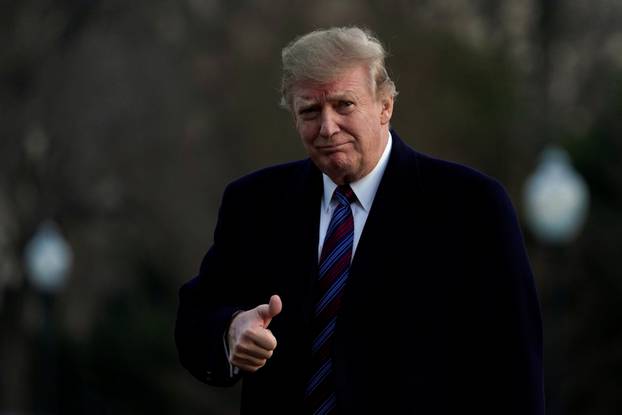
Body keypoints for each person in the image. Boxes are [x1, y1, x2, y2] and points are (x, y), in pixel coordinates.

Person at [175, 26, 544, 415]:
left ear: (385, 106)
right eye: (310, 112)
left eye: (344, 105)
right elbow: (195, 317)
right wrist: (232, 330)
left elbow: (514, 367)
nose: (327, 127)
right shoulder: (255, 204)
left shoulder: (470, 206)